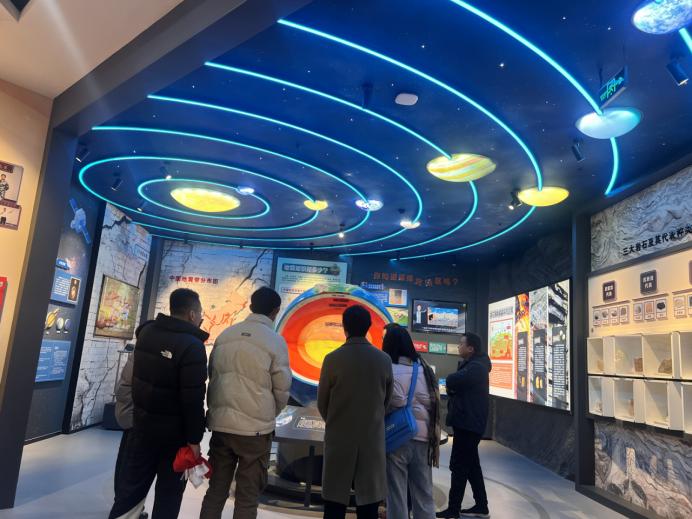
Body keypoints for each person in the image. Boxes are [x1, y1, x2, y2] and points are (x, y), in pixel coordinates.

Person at [109, 288, 208, 519]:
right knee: (168, 497)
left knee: (130, 494)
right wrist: (194, 440)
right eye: (200, 313)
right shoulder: (193, 346)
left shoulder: (147, 333)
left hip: (141, 429)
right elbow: (193, 400)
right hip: (175, 439)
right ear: (192, 314)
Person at [200, 287, 291, 519]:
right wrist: (270, 413)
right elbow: (282, 389)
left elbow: (213, 375)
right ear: (276, 311)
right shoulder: (275, 342)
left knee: (216, 490)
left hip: (221, 426)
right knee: (247, 496)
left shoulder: (225, 335)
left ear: (251, 307)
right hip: (255, 431)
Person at [318, 305, 393, 519]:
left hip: (339, 438)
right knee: (369, 503)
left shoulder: (332, 359)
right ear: (369, 327)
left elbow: (322, 402)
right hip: (372, 439)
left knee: (334, 503)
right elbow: (386, 401)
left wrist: (335, 421)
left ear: (345, 327)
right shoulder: (384, 360)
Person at [383, 325, 440, 519]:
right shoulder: (425, 370)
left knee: (396, 494)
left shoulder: (388, 369)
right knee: (424, 494)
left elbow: (388, 403)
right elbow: (433, 404)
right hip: (423, 438)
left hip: (396, 437)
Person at [437, 332, 491, 518]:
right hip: (468, 423)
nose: (458, 346)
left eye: (461, 344)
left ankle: (453, 509)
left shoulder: (476, 368)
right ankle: (481, 506)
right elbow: (454, 384)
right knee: (472, 466)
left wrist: (453, 386)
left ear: (471, 348)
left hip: (469, 424)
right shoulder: (474, 365)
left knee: (459, 466)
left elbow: (451, 380)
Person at [114, 342, 148, 519]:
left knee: (126, 463)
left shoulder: (140, 350)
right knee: (130, 468)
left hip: (133, 416)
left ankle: (122, 504)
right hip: (137, 418)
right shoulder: (145, 352)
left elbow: (123, 387)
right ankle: (124, 507)